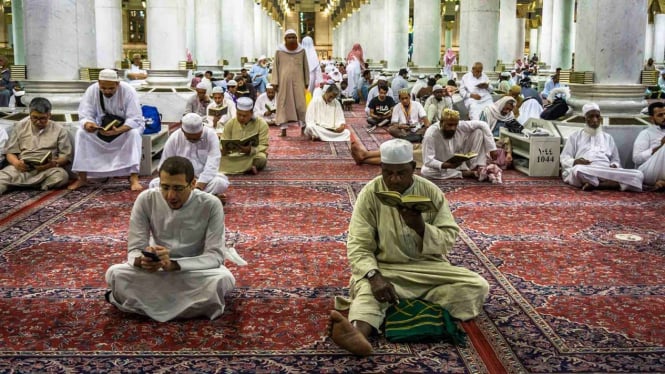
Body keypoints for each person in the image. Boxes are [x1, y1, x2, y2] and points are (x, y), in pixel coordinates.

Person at [328, 138, 490, 356]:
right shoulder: (370, 194)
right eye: (388, 173)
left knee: (477, 286)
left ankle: (395, 305)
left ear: (413, 169)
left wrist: (421, 228)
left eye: (401, 173)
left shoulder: (431, 192)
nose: (394, 180)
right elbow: (358, 244)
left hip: (428, 269)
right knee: (368, 290)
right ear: (381, 168)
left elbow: (449, 239)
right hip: (385, 269)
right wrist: (374, 276)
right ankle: (357, 334)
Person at [105, 156, 243, 322]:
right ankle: (191, 306)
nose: (171, 195)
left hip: (194, 270)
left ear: (193, 184)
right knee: (115, 274)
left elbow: (215, 256)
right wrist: (143, 261)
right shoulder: (146, 199)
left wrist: (174, 265)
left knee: (222, 280)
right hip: (158, 269)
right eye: (165, 187)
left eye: (178, 188)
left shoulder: (211, 204)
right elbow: (134, 250)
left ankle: (141, 304)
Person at [69, 69, 144, 191]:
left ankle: (134, 178)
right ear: (99, 83)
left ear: (117, 84)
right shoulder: (92, 90)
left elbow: (135, 119)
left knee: (133, 134)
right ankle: (82, 178)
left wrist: (118, 130)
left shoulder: (128, 91)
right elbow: (85, 115)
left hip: (124, 128)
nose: (107, 91)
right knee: (81, 133)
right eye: (103, 88)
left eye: (111, 88)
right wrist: (89, 124)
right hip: (101, 127)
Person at [560, 103, 643, 192]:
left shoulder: (608, 137)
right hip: (587, 169)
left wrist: (614, 165)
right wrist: (575, 161)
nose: (595, 120)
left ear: (600, 118)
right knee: (577, 170)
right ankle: (612, 184)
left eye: (597, 116)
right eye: (591, 117)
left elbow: (616, 160)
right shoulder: (575, 136)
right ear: (584, 119)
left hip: (606, 170)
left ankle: (596, 184)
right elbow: (565, 157)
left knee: (638, 174)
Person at [149, 113, 229, 202]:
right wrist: (178, 182)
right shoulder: (175, 138)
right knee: (154, 184)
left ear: (202, 127)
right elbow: (164, 165)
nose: (193, 141)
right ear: (183, 131)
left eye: (196, 139)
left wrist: (198, 186)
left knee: (220, 183)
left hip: (202, 180)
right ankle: (205, 199)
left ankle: (186, 198)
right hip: (179, 180)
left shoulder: (210, 135)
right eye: (190, 139)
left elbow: (212, 164)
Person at [0, 97, 72, 194]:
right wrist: (17, 163)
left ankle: (18, 185)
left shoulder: (59, 129)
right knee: (2, 177)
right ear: (30, 115)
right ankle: (35, 185)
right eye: (34, 118)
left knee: (61, 176)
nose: (38, 122)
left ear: (49, 115)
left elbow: (65, 156)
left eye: (42, 118)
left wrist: (53, 163)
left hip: (47, 169)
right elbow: (10, 153)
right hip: (23, 168)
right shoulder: (20, 126)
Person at [421, 108, 498, 179]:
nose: (453, 128)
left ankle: (477, 166)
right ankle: (466, 173)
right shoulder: (431, 134)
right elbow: (428, 161)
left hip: (459, 160)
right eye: (450, 125)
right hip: (443, 165)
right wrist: (446, 165)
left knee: (479, 131)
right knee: (425, 171)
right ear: (441, 122)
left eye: (455, 125)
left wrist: (492, 148)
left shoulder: (460, 125)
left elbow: (483, 124)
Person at [271, 29, 309, 137]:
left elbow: (305, 67)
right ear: (285, 39)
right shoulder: (279, 51)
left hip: (299, 82)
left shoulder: (301, 51)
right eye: (289, 37)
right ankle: (283, 130)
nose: (292, 39)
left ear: (297, 39)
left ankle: (303, 127)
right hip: (283, 84)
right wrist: (274, 82)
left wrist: (306, 81)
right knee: (283, 105)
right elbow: (275, 67)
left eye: (293, 37)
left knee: (301, 105)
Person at [220, 97, 269, 175]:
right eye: (239, 114)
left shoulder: (261, 124)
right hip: (233, 155)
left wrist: (250, 150)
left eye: (245, 115)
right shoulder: (230, 123)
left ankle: (252, 165)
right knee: (217, 157)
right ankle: (248, 168)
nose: (241, 118)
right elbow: (223, 141)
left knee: (262, 158)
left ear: (251, 113)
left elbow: (263, 145)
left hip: (252, 155)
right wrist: (224, 150)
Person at [632, 102, 665, 190]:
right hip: (648, 170)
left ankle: (662, 184)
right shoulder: (646, 133)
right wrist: (660, 147)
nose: (664, 117)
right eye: (660, 115)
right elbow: (636, 158)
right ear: (652, 118)